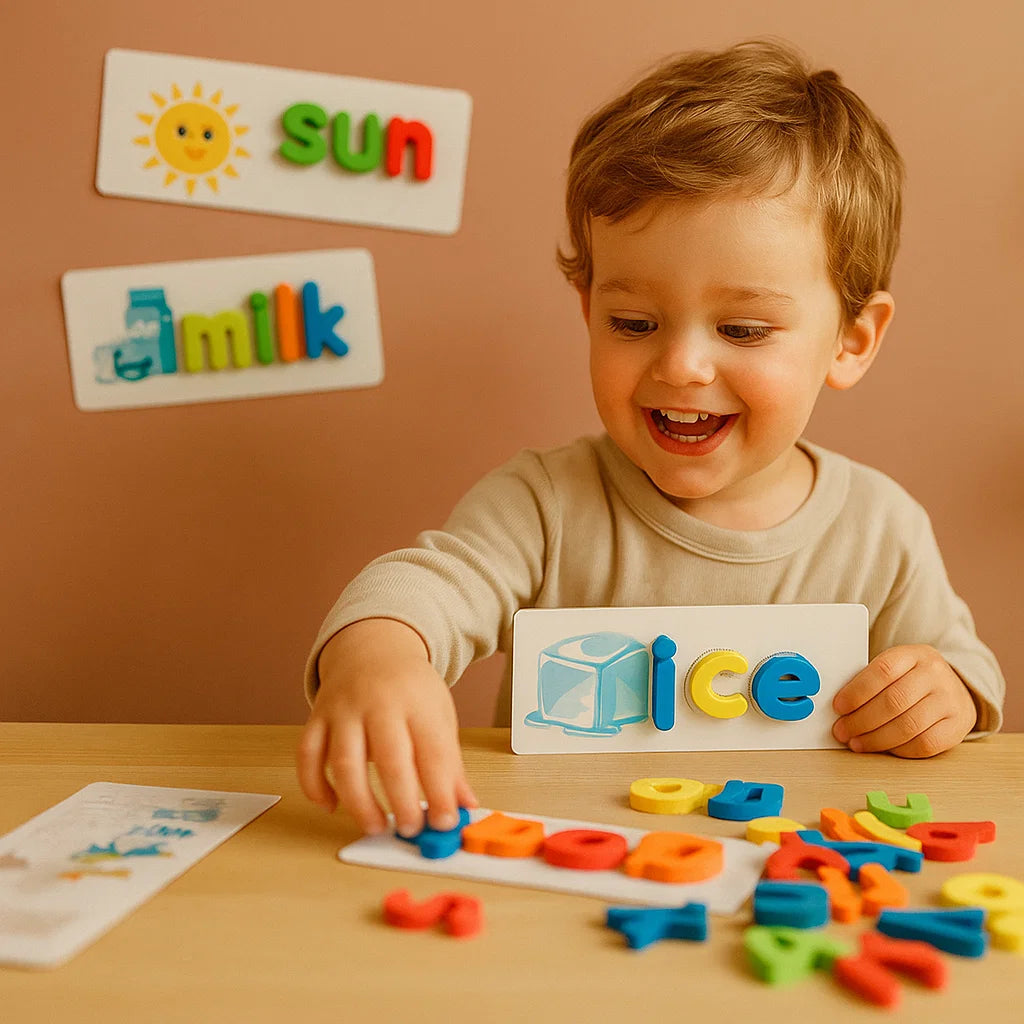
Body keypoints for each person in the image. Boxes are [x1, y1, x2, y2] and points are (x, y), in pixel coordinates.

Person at [296, 38, 1005, 838]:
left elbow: (967, 678)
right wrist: (378, 657)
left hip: (784, 874)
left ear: (852, 339)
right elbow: (421, 589)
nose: (681, 366)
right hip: (565, 866)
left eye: (742, 329)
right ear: (587, 308)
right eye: (633, 323)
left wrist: (944, 696)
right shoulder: (545, 505)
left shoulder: (880, 529)